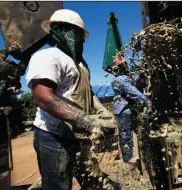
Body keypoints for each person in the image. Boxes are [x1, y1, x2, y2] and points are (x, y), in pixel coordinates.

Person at [25, 9, 116, 190]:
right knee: (58, 185)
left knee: (93, 181)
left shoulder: (81, 64)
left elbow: (87, 92)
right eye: (80, 34)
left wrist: (101, 110)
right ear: (63, 30)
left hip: (79, 136)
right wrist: (85, 120)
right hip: (54, 137)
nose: (83, 40)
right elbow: (44, 97)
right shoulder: (48, 57)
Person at [111, 56, 152, 166]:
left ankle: (132, 156)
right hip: (123, 110)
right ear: (117, 68)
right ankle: (128, 159)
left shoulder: (127, 77)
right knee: (125, 135)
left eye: (125, 64)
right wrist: (145, 100)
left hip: (129, 107)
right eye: (122, 65)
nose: (125, 66)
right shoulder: (119, 79)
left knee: (133, 132)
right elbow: (131, 90)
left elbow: (135, 85)